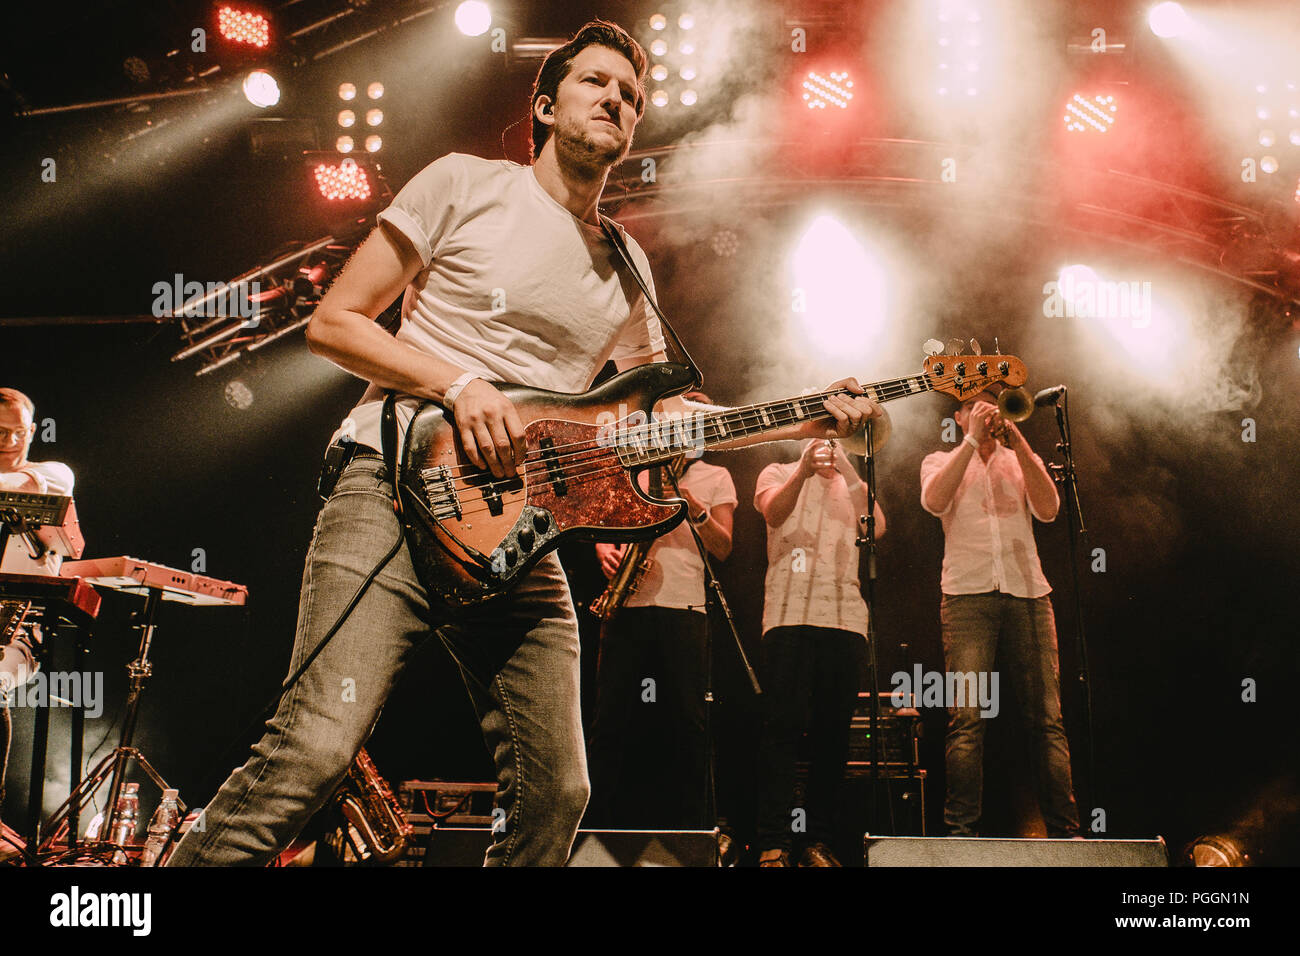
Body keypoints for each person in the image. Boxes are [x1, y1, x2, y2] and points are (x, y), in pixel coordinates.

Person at [167, 20, 881, 867]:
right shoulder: (464, 184)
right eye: (597, 83)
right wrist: (459, 384)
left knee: (557, 791)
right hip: (392, 486)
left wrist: (794, 419)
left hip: (518, 529)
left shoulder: (627, 262)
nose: (618, 99)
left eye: (634, 96)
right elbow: (335, 322)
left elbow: (655, 412)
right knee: (314, 750)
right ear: (544, 104)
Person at [919, 390, 1080, 838]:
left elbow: (1049, 510)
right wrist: (970, 442)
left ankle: (1066, 832)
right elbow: (933, 502)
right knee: (967, 719)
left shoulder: (1018, 459)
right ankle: (961, 832)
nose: (986, 411)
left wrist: (1019, 442)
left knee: (1047, 719)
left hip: (1028, 593)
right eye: (974, 404)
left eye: (993, 403)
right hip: (967, 597)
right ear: (959, 415)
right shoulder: (938, 460)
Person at [586, 390, 736, 830]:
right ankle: (595, 831)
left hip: (685, 608)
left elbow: (725, 548)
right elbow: (599, 520)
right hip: (626, 603)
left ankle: (691, 832)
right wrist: (602, 549)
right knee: (609, 722)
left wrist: (697, 510)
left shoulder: (715, 475)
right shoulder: (636, 467)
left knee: (688, 723)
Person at [752, 437, 886, 867]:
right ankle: (773, 841)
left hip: (845, 619)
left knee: (833, 737)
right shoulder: (776, 472)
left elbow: (876, 527)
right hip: (787, 616)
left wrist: (847, 468)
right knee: (782, 732)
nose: (827, 445)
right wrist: (804, 469)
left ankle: (817, 841)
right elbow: (774, 511)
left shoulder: (853, 485)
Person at [0, 387, 76, 825]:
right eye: (0, 432)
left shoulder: (50, 473)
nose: (11, 442)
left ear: (32, 432)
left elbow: (19, 485)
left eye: (19, 432)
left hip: (20, 623)